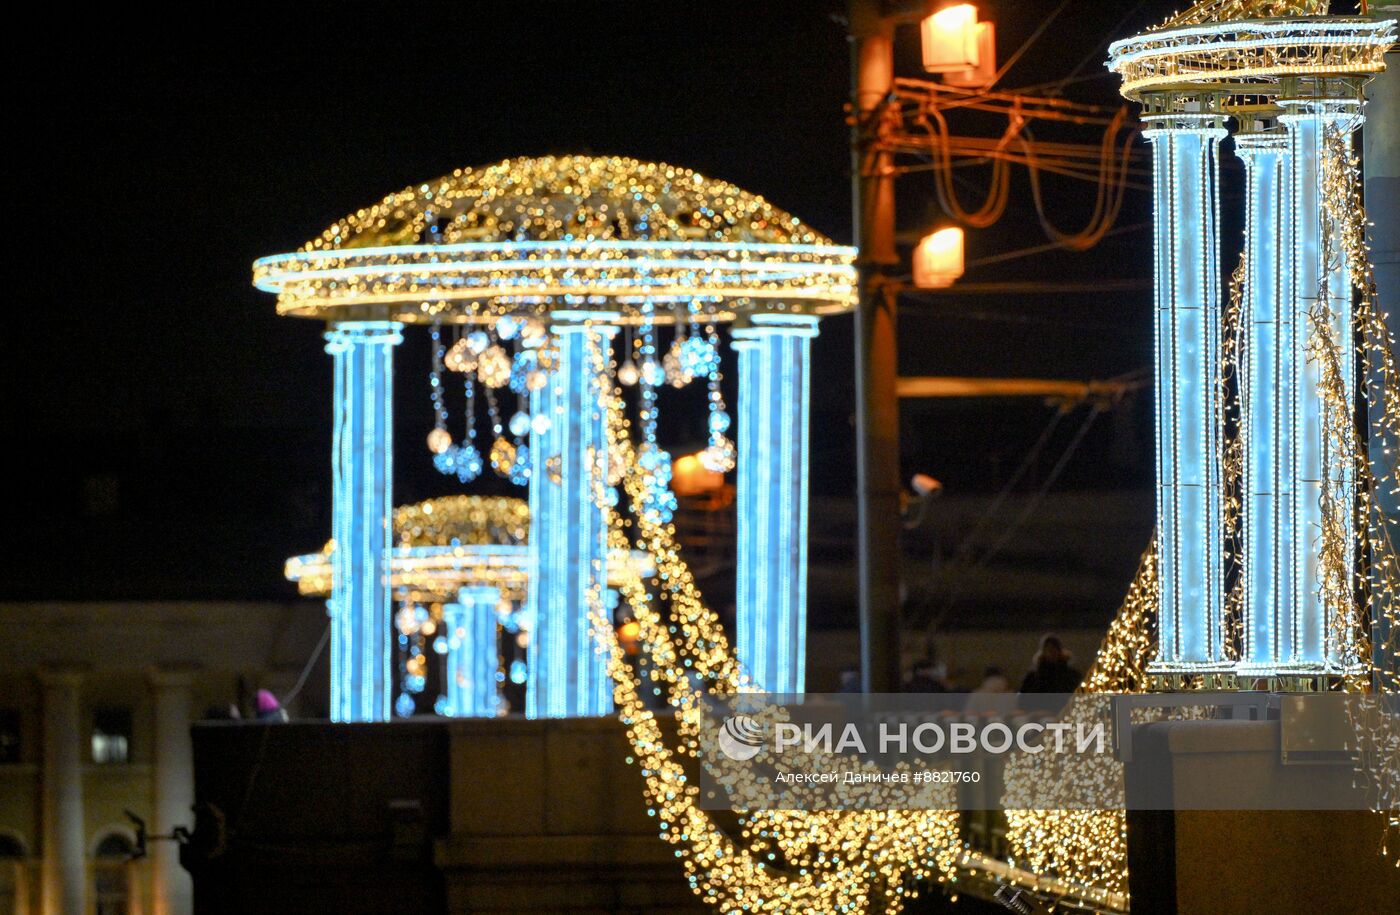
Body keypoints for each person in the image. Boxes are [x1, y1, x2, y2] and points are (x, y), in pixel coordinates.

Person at [1017, 635, 1082, 713]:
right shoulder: (1033, 676)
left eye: (1054, 649)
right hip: (1037, 713)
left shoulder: (1071, 675)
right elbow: (1024, 700)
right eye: (1049, 649)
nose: (1052, 653)